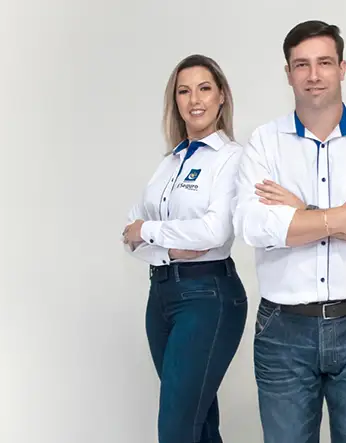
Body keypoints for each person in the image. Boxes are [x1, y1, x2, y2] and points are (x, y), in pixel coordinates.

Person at [233, 20, 346, 443]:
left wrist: (301, 212)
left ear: (342, 68)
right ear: (288, 73)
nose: (313, 75)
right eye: (302, 65)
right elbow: (254, 225)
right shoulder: (265, 142)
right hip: (283, 331)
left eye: (324, 63)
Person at [122, 54, 247, 443]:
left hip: (207, 296)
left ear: (221, 96)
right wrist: (169, 248)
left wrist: (151, 231)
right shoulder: (170, 162)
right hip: (161, 296)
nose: (195, 99)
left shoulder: (232, 159)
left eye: (204, 88)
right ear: (174, 100)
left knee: (177, 427)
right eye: (184, 91)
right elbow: (129, 231)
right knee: (199, 422)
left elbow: (214, 231)